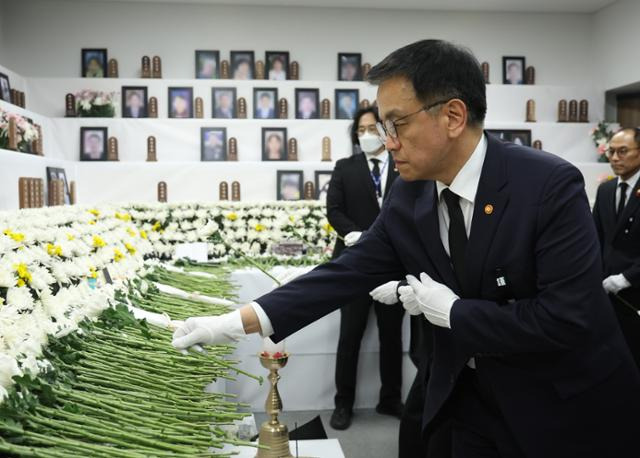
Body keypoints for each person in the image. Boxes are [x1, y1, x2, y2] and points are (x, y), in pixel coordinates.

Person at [172, 40, 640, 458]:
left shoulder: (546, 185)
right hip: (469, 395)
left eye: (396, 124)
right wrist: (231, 323)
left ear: (453, 116)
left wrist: (455, 313)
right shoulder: (410, 192)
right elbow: (346, 273)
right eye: (380, 128)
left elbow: (566, 317)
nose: (385, 142)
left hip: (559, 401)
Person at [323, 106, 402, 430]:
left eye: (372, 128)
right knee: (350, 337)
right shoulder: (346, 167)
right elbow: (334, 209)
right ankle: (343, 403)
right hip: (354, 262)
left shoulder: (403, 165)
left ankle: (391, 398)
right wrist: (354, 234)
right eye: (361, 131)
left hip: (393, 264)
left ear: (385, 131)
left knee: (392, 336)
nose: (367, 135)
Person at [593, 127, 640, 367]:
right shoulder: (606, 189)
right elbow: (595, 236)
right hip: (605, 291)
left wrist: (627, 278)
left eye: (623, 152)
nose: (614, 158)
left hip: (635, 292)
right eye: (611, 152)